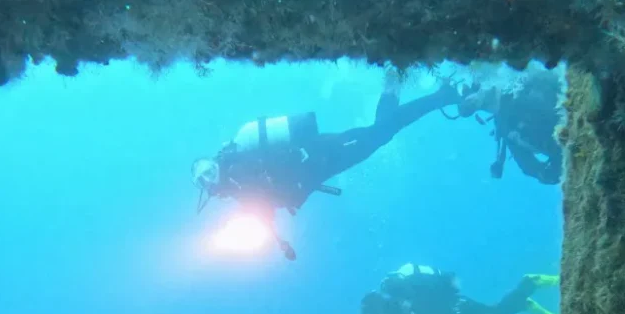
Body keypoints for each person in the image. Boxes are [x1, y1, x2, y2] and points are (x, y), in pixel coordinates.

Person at [193, 72, 462, 259]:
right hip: (318, 167)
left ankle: (423, 91)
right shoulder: (239, 187)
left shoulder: (238, 168)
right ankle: (410, 89)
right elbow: (266, 204)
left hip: (318, 154)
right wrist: (276, 239)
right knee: (380, 134)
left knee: (379, 134)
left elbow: (272, 180)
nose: (209, 178)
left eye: (207, 172)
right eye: (203, 179)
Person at [360, 263, 559, 314]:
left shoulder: (399, 301)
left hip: (458, 311)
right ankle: (522, 303)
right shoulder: (396, 313)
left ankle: (529, 284)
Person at [455, 66, 565, 185]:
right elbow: (525, 162)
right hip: (558, 135)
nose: (472, 103)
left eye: (468, 101)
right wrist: (542, 173)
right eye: (470, 106)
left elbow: (526, 163)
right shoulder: (504, 125)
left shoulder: (511, 86)